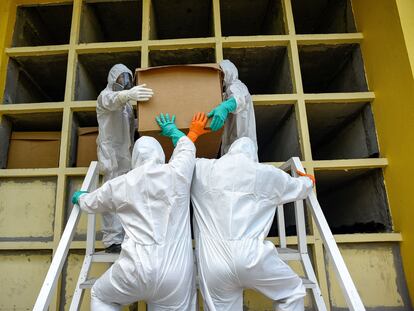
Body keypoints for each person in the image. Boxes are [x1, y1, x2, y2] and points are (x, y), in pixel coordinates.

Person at [71, 113, 208, 310]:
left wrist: (80, 197)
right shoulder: (176, 173)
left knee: (101, 296)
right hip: (176, 273)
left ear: (135, 158)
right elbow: (186, 147)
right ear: (160, 155)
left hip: (134, 269)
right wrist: (177, 131)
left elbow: (91, 203)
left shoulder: (121, 183)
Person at [191, 135, 315, 310]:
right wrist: (308, 180)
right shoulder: (268, 174)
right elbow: (299, 188)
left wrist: (180, 135)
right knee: (292, 291)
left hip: (214, 261)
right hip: (253, 257)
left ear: (230, 151)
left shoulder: (205, 168)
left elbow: (183, 163)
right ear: (253, 154)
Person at [96, 63, 153, 253]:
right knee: (111, 195)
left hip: (125, 154)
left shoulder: (127, 106)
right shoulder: (105, 96)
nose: (126, 82)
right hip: (111, 154)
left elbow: (131, 124)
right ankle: (112, 240)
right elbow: (112, 100)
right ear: (113, 78)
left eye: (127, 78)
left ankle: (125, 238)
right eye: (122, 78)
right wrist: (127, 95)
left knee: (126, 196)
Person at [207, 59, 258, 155]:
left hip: (242, 147)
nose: (219, 77)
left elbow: (239, 99)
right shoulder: (227, 92)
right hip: (235, 148)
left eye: (222, 73)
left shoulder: (237, 86)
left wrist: (225, 107)